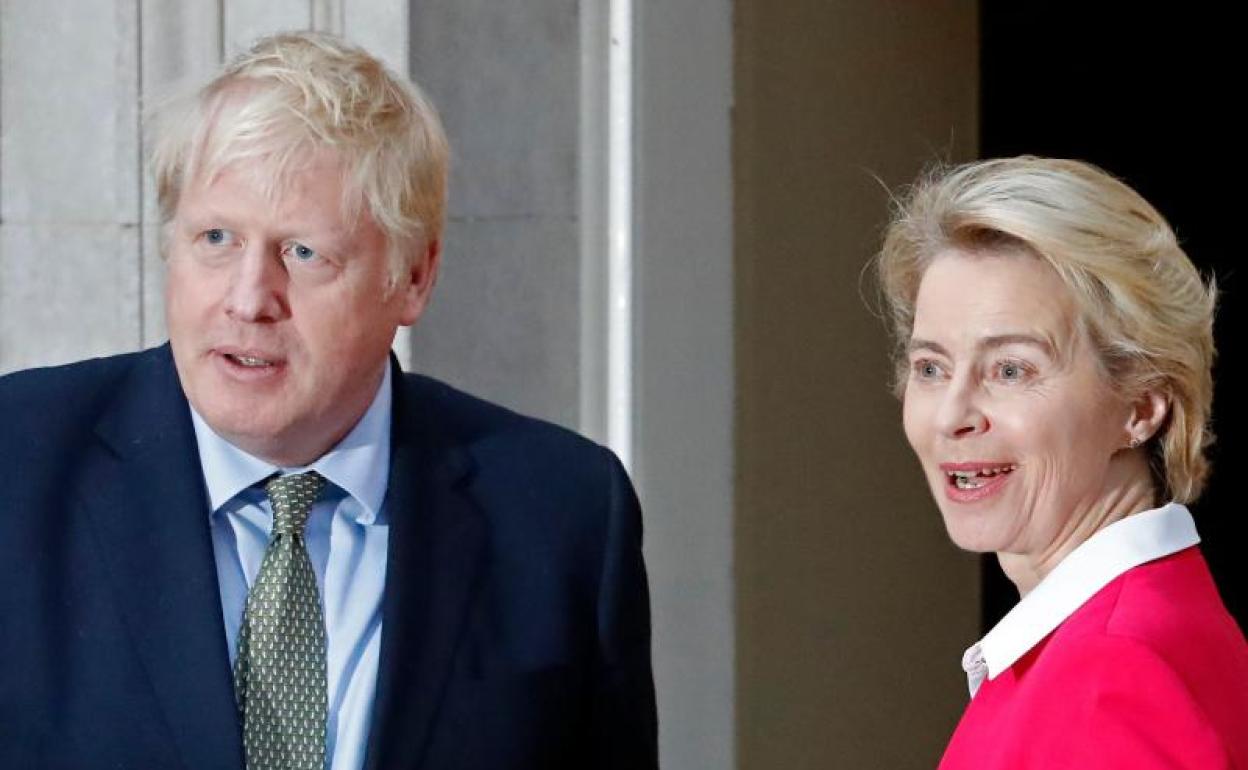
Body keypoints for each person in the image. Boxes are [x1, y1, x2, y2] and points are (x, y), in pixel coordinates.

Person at [0, 32, 656, 770]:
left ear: (414, 277)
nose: (249, 299)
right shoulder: (17, 467)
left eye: (304, 253)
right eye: (216, 238)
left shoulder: (561, 516)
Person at [876, 156, 1248, 768]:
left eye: (1010, 369)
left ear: (1141, 405)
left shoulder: (1110, 675)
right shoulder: (1141, 623)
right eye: (931, 367)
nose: (951, 415)